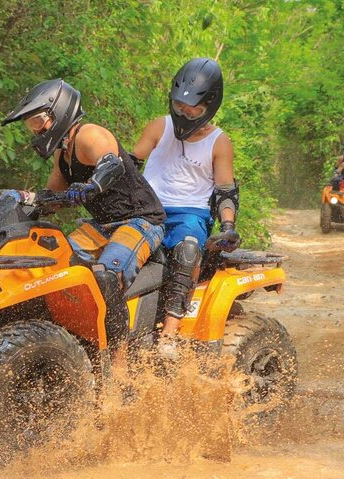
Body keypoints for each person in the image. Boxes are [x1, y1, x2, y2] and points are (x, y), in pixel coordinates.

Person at [0, 79, 166, 359]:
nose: (36, 129)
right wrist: (23, 199)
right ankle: (61, 341)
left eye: (39, 121)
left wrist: (92, 186)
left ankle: (120, 361)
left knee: (106, 276)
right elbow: (52, 196)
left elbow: (110, 163)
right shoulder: (62, 155)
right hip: (101, 227)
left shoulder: (89, 135)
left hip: (139, 221)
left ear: (59, 111)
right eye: (31, 124)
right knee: (53, 264)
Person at [132, 58, 240, 357]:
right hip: (146, 209)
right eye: (179, 106)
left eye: (192, 108)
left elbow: (225, 191)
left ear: (210, 104)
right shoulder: (158, 127)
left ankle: (169, 332)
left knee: (188, 248)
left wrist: (228, 226)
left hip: (190, 215)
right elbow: (131, 163)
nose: (185, 112)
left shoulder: (219, 142)